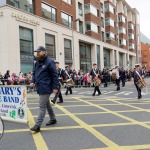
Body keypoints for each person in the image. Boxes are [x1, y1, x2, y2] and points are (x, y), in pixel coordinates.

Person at [30, 46, 59, 133]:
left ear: (44, 52)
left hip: (46, 87)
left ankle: (37, 126)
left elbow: (54, 75)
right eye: (37, 52)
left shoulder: (50, 62)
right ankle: (53, 119)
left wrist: (55, 87)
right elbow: (34, 73)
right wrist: (32, 81)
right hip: (40, 87)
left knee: (42, 107)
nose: (37, 53)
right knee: (47, 104)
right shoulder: (37, 62)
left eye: (39, 52)